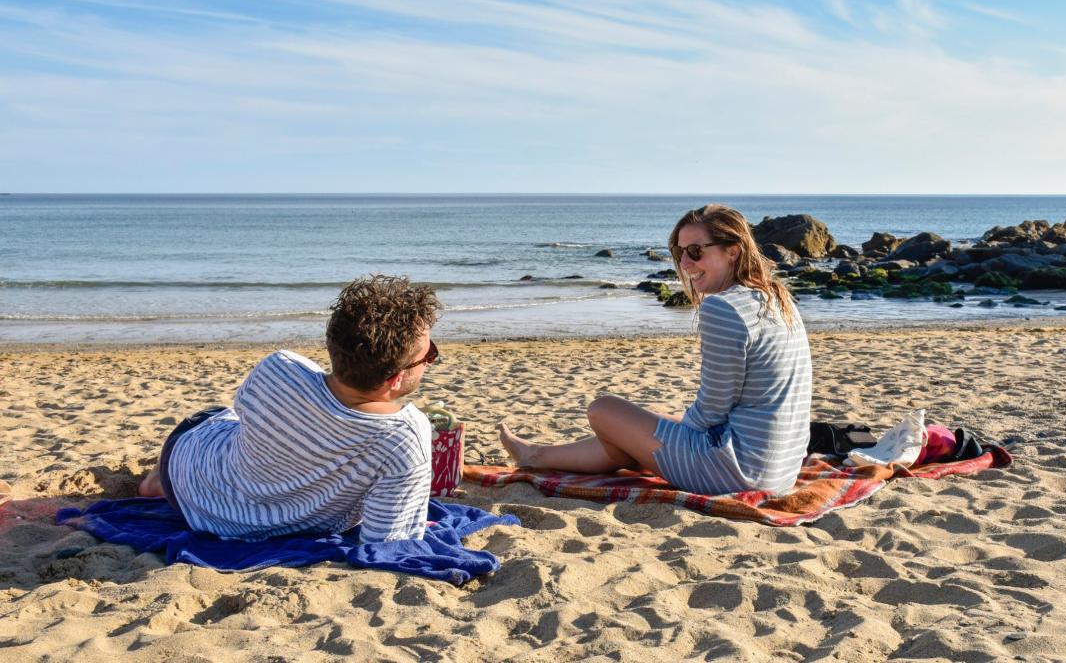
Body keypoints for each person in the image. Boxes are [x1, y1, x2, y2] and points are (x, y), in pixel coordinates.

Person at [500, 204, 813, 495]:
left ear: (733, 251)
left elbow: (713, 409)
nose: (685, 262)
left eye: (695, 251)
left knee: (603, 410)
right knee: (647, 427)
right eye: (679, 252)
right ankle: (535, 455)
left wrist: (672, 434)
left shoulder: (723, 308)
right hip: (780, 470)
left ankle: (536, 456)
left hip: (735, 472)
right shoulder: (775, 297)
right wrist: (665, 431)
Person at [138, 274, 442, 542]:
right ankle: (156, 481)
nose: (430, 360)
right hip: (244, 518)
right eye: (429, 354)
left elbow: (246, 418)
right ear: (395, 378)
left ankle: (156, 482)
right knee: (224, 419)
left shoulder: (280, 367)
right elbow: (388, 541)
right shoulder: (405, 437)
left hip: (190, 485)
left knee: (219, 418)